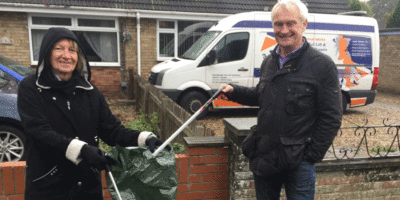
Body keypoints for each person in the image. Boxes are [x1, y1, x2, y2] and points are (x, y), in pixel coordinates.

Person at [17, 27, 170, 200]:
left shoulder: (89, 91)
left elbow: (112, 131)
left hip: (87, 188)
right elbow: (38, 131)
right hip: (49, 187)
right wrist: (81, 149)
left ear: (78, 57)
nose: (66, 55)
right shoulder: (30, 88)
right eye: (59, 48)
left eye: (72, 50)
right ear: (47, 52)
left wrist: (144, 138)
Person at [219, 0, 342, 199]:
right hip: (266, 154)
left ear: (304, 25)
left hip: (298, 162)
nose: (283, 30)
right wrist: (234, 91)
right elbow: (262, 95)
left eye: (290, 23)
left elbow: (332, 116)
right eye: (278, 24)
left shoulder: (322, 65)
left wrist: (310, 156)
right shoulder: (269, 61)